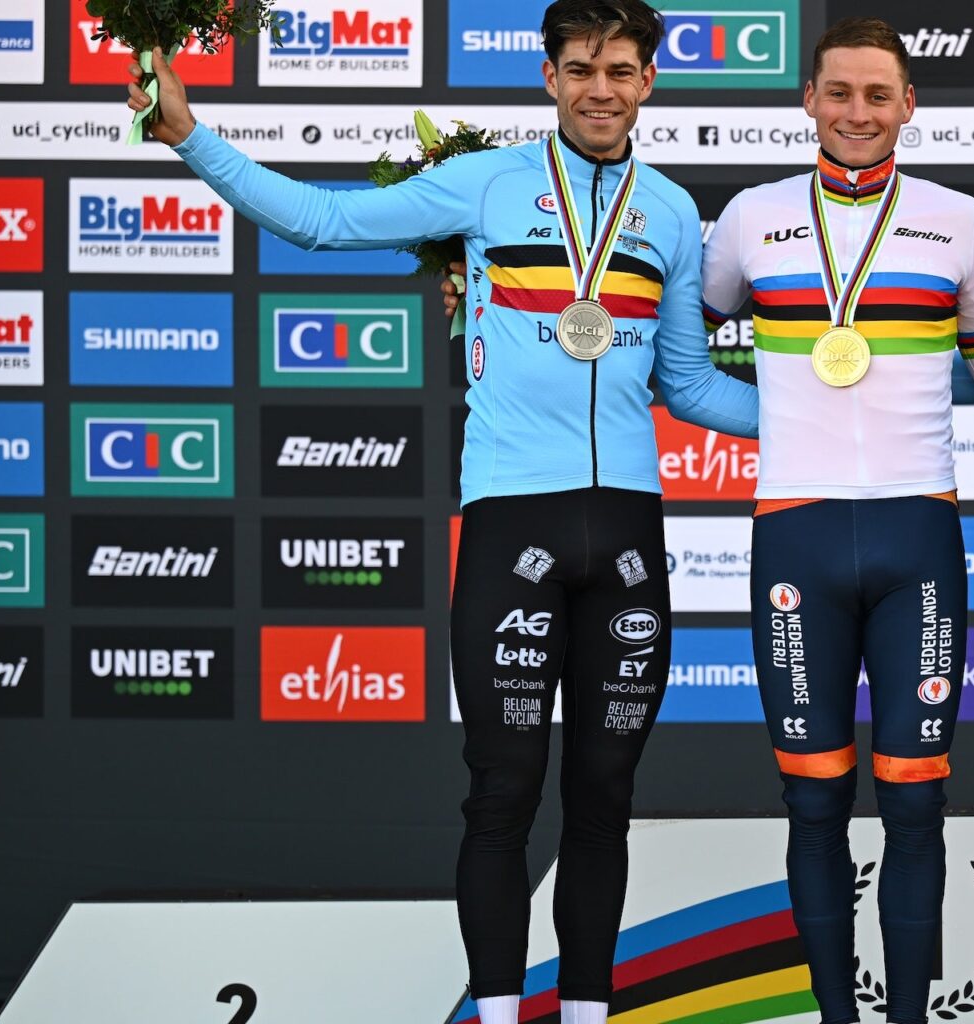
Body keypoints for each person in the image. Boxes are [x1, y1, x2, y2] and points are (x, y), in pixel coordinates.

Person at [126, 4, 758, 1023]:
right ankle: (501, 1014)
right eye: (583, 67)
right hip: (513, 522)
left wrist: (829, 418)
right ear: (550, 77)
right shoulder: (486, 183)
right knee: (502, 791)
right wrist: (191, 135)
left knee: (604, 797)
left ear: (650, 84)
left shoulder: (676, 213)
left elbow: (690, 385)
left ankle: (590, 1011)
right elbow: (325, 221)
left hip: (630, 532)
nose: (602, 88)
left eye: (623, 69)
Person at [701, 18, 974, 1024]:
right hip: (793, 534)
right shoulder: (748, 218)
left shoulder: (961, 220)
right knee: (813, 802)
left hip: (919, 538)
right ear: (808, 100)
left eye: (879, 95)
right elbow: (669, 346)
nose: (857, 112)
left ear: (909, 105)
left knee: (918, 801)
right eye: (839, 93)